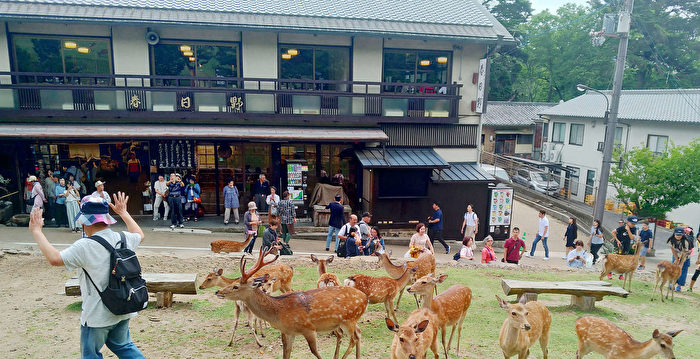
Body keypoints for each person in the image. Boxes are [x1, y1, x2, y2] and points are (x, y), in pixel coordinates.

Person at [28, 193, 146, 359]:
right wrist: (123, 213)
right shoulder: (123, 238)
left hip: (97, 316)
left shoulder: (84, 246)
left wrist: (36, 231)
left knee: (91, 354)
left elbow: (55, 259)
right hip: (123, 306)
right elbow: (139, 234)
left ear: (85, 221)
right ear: (105, 219)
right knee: (123, 345)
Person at [667, 227, 694, 292]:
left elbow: (684, 253)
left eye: (680, 235)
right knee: (674, 268)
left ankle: (678, 286)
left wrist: (681, 263)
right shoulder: (671, 240)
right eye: (677, 235)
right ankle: (672, 284)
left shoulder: (685, 241)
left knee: (682, 270)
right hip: (676, 254)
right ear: (674, 234)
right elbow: (673, 249)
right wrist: (676, 259)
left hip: (685, 256)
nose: (678, 236)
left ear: (683, 234)